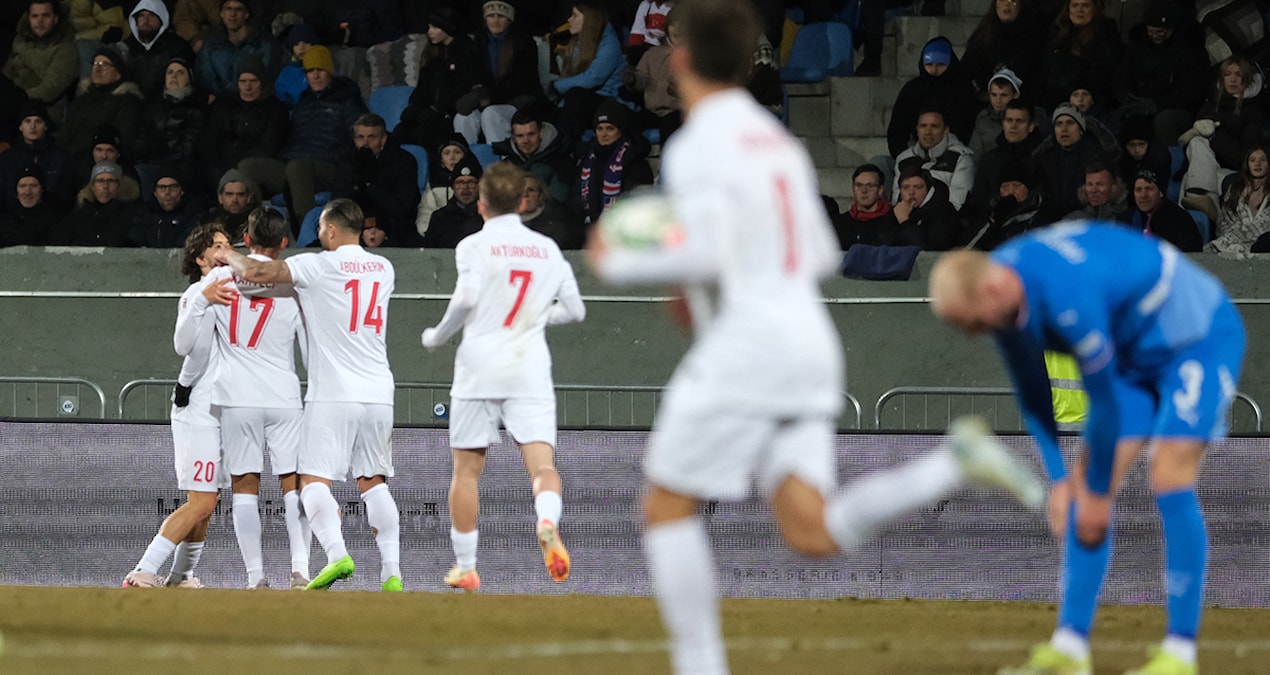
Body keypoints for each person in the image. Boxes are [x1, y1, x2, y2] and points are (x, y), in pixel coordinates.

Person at [586, 2, 1042, 672]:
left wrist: (620, 255)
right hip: (807, 338)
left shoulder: (696, 144)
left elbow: (703, 248)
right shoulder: (778, 144)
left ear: (677, 58)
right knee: (813, 529)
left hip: (750, 342)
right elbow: (817, 253)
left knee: (665, 505)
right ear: (750, 64)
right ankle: (955, 460)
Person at [929, 223, 1245, 675]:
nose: (976, 334)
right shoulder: (1002, 293)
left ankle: (1179, 655)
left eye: (974, 324)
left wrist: (1097, 495)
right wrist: (1060, 480)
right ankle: (1070, 648)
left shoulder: (1066, 292)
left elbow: (1103, 401)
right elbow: (1034, 393)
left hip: (1196, 339)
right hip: (1134, 355)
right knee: (1081, 490)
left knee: (1168, 472)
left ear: (994, 288)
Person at [209, 198, 403, 592]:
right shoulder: (384, 269)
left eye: (320, 229)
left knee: (312, 481)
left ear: (331, 230)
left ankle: (335, 555)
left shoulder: (316, 265)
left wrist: (229, 253)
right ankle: (391, 572)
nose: (317, 235)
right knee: (374, 482)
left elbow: (261, 272)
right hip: (380, 391)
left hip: (333, 393)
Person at [421, 161, 587, 592]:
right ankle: (547, 521)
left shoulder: (473, 246)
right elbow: (576, 310)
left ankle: (467, 566)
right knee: (542, 465)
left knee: (467, 470)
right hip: (529, 365)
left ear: (481, 204)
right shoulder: (548, 249)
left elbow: (467, 298)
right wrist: (536, 317)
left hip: (480, 365)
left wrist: (436, 335)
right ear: (523, 202)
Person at [198, 207, 312, 589]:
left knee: (244, 484)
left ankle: (255, 578)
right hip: (283, 393)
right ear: (284, 243)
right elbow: (308, 347)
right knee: (293, 483)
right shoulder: (294, 284)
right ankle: (300, 569)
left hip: (235, 394)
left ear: (245, 240)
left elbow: (199, 338)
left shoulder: (218, 276)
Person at [123, 221, 232, 588]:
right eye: (217, 245)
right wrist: (201, 300)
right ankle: (143, 570)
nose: (226, 249)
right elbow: (184, 346)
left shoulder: (230, 294)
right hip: (199, 412)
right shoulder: (196, 295)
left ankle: (181, 577)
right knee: (201, 501)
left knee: (208, 502)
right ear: (201, 258)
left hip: (219, 411)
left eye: (228, 243)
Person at [238, 45, 366, 232]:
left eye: (320, 70)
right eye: (310, 71)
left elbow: (359, 136)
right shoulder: (303, 102)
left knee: (298, 167)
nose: (315, 76)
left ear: (330, 72)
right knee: (248, 167)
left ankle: (309, 232)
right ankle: (256, 229)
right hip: (294, 164)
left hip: (328, 166)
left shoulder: (347, 100)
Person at [1178, 56, 1267, 224]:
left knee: (1195, 173)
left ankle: (1202, 197)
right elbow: (1190, 147)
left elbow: (1244, 158)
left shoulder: (1255, 111)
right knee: (1196, 147)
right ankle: (1203, 200)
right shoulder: (1212, 104)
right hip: (1208, 168)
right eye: (1227, 74)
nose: (1232, 79)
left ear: (1247, 79)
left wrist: (1213, 136)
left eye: (1238, 74)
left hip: (1233, 171)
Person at [453, 1, 543, 146]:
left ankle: (499, 165)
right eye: (491, 16)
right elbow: (472, 72)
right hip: (487, 100)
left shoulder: (524, 42)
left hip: (519, 101)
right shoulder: (478, 41)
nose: (495, 21)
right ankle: (466, 164)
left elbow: (522, 80)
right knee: (463, 117)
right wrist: (477, 90)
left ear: (509, 19)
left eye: (500, 16)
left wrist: (488, 95)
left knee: (491, 114)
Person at [393, 7, 480, 154]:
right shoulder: (433, 54)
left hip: (448, 114)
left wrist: (437, 108)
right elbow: (423, 87)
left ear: (447, 28)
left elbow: (461, 87)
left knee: (424, 134)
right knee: (401, 131)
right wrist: (415, 106)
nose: (429, 32)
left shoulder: (466, 53)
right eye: (429, 27)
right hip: (429, 113)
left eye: (434, 27)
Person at [886, 36, 977, 158]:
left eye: (940, 64)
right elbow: (897, 131)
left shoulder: (963, 90)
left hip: (954, 157)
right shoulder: (912, 89)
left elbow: (964, 130)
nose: (934, 70)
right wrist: (906, 159)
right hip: (914, 156)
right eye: (929, 64)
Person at [343, 113, 421, 247]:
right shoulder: (347, 160)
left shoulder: (404, 161)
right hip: (356, 229)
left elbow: (402, 208)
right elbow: (340, 200)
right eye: (360, 137)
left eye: (371, 137)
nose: (365, 143)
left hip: (394, 229)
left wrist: (369, 185)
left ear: (383, 139)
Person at [551, 3, 625, 142]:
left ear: (589, 19)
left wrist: (558, 86)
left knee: (576, 96)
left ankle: (567, 148)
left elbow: (593, 78)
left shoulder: (609, 44)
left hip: (606, 102)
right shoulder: (576, 43)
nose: (569, 20)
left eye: (574, 15)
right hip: (583, 101)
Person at [576, 98, 654, 227]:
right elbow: (576, 195)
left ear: (620, 130)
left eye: (610, 128)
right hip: (590, 227)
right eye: (600, 129)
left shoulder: (634, 159)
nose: (604, 134)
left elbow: (636, 199)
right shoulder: (588, 158)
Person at [59, 46, 143, 160]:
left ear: (118, 73)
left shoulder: (127, 102)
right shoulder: (80, 100)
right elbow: (64, 136)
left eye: (105, 64)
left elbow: (123, 141)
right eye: (95, 63)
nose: (97, 68)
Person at [1039, 0, 1122, 110]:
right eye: (1075, 5)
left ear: (1095, 9)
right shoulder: (1057, 32)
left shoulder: (1107, 34)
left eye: (1085, 5)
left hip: (1091, 101)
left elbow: (1102, 71)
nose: (1079, 10)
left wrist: (1072, 89)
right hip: (1054, 100)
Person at [194, 0, 283, 99]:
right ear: (221, 13)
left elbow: (268, 77)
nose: (232, 14)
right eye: (228, 9)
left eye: (238, 9)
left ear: (247, 14)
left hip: (257, 101)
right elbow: (206, 78)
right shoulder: (211, 45)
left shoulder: (265, 43)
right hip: (222, 103)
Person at [892, 107, 975, 212]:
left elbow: (957, 204)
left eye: (934, 126)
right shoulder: (904, 159)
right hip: (908, 219)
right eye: (923, 126)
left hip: (943, 220)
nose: (928, 132)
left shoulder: (961, 158)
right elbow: (896, 201)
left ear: (946, 130)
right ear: (917, 129)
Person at [959, 0, 1048, 95]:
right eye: (1001, 0)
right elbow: (966, 70)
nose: (1006, 4)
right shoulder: (983, 35)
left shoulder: (1034, 37)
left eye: (1012, 0)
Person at [492, 109, 577, 206]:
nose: (526, 140)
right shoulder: (505, 166)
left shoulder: (562, 164)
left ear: (541, 132)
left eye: (531, 134)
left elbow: (559, 205)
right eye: (520, 136)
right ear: (513, 137)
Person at [3, 1, 78, 108]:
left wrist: (13, 99)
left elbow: (49, 90)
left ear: (55, 19)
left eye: (45, 15)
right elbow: (7, 74)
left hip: (42, 111)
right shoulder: (20, 40)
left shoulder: (67, 49)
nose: (39, 21)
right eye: (34, 16)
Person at [0, 100, 72, 211]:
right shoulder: (7, 158)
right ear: (20, 127)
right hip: (13, 220)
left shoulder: (60, 157)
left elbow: (65, 196)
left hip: (51, 219)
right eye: (27, 121)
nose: (32, 126)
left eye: (38, 121)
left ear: (46, 126)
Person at [122, 0, 196, 100]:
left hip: (165, 103)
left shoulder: (177, 46)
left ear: (162, 19)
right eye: (141, 15)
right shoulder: (126, 47)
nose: (145, 20)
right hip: (130, 103)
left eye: (151, 15)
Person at [964, 158, 1044, 250]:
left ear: (1028, 188)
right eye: (1005, 187)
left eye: (1016, 185)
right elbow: (968, 248)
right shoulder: (991, 211)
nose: (1010, 191)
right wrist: (993, 221)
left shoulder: (1040, 212)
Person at [55, 161, 141, 246]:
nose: (105, 186)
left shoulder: (132, 214)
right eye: (100, 181)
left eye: (111, 181)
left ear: (119, 186)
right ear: (92, 186)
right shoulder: (78, 214)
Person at [1206, 145, 1270, 253]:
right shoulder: (1235, 189)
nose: (1257, 164)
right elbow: (1224, 222)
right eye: (1253, 160)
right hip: (1232, 246)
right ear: (1247, 164)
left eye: (1262, 160)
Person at [1125, 169, 1203, 252]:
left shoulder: (1180, 220)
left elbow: (1191, 257)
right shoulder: (1125, 219)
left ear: (1161, 192)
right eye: (1138, 190)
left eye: (1149, 189)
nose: (1143, 195)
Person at [130, 164, 207, 247]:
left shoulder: (194, 214)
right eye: (162, 187)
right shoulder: (144, 214)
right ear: (155, 193)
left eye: (173, 187)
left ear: (182, 191)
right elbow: (134, 243)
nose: (167, 192)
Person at [423, 155, 484, 248]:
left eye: (471, 182)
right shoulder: (439, 218)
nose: (465, 188)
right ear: (453, 187)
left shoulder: (487, 218)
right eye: (460, 183)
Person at [834, 163, 900, 249]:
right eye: (859, 185)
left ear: (880, 190)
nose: (864, 190)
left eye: (870, 186)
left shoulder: (893, 219)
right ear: (853, 189)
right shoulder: (840, 223)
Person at [417, 134, 471, 237]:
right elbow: (424, 216)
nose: (452, 158)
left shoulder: (477, 181)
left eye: (457, 152)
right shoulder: (434, 184)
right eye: (447, 153)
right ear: (441, 160)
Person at [0, 164, 66, 246]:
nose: (27, 192)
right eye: (22, 186)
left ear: (42, 189)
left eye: (33, 186)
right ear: (16, 191)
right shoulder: (6, 222)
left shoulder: (57, 221)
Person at [520, 172, 580, 249]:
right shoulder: (503, 223)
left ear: (541, 195)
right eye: (520, 190)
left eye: (531, 190)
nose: (525, 195)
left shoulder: (558, 228)